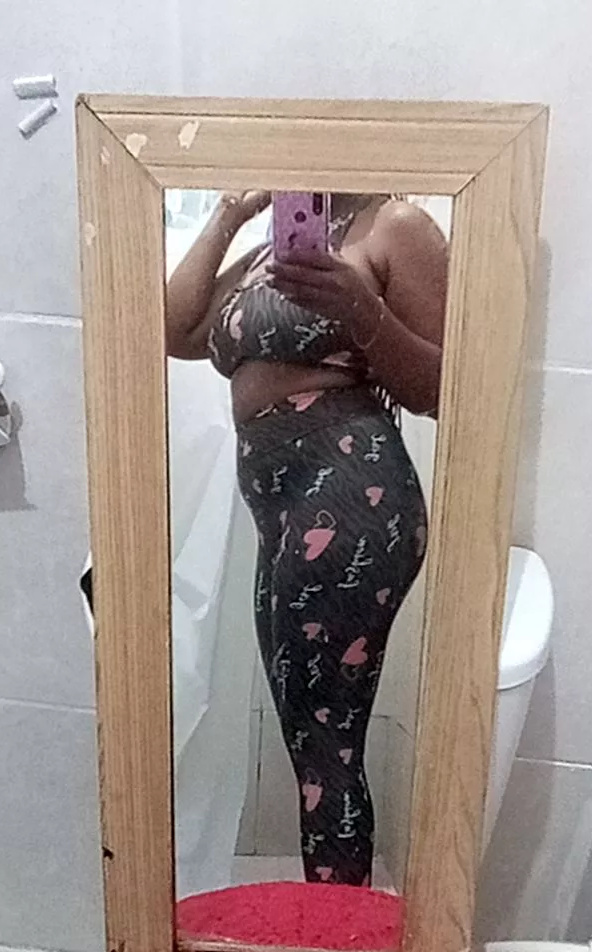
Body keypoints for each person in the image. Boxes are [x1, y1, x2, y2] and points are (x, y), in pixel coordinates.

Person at [166, 192, 448, 886]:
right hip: (284, 510)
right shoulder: (272, 251)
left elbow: (445, 387)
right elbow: (172, 329)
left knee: (326, 746)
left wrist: (363, 311)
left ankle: (337, 936)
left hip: (350, 493)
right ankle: (333, 926)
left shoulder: (395, 227)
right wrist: (230, 214)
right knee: (312, 743)